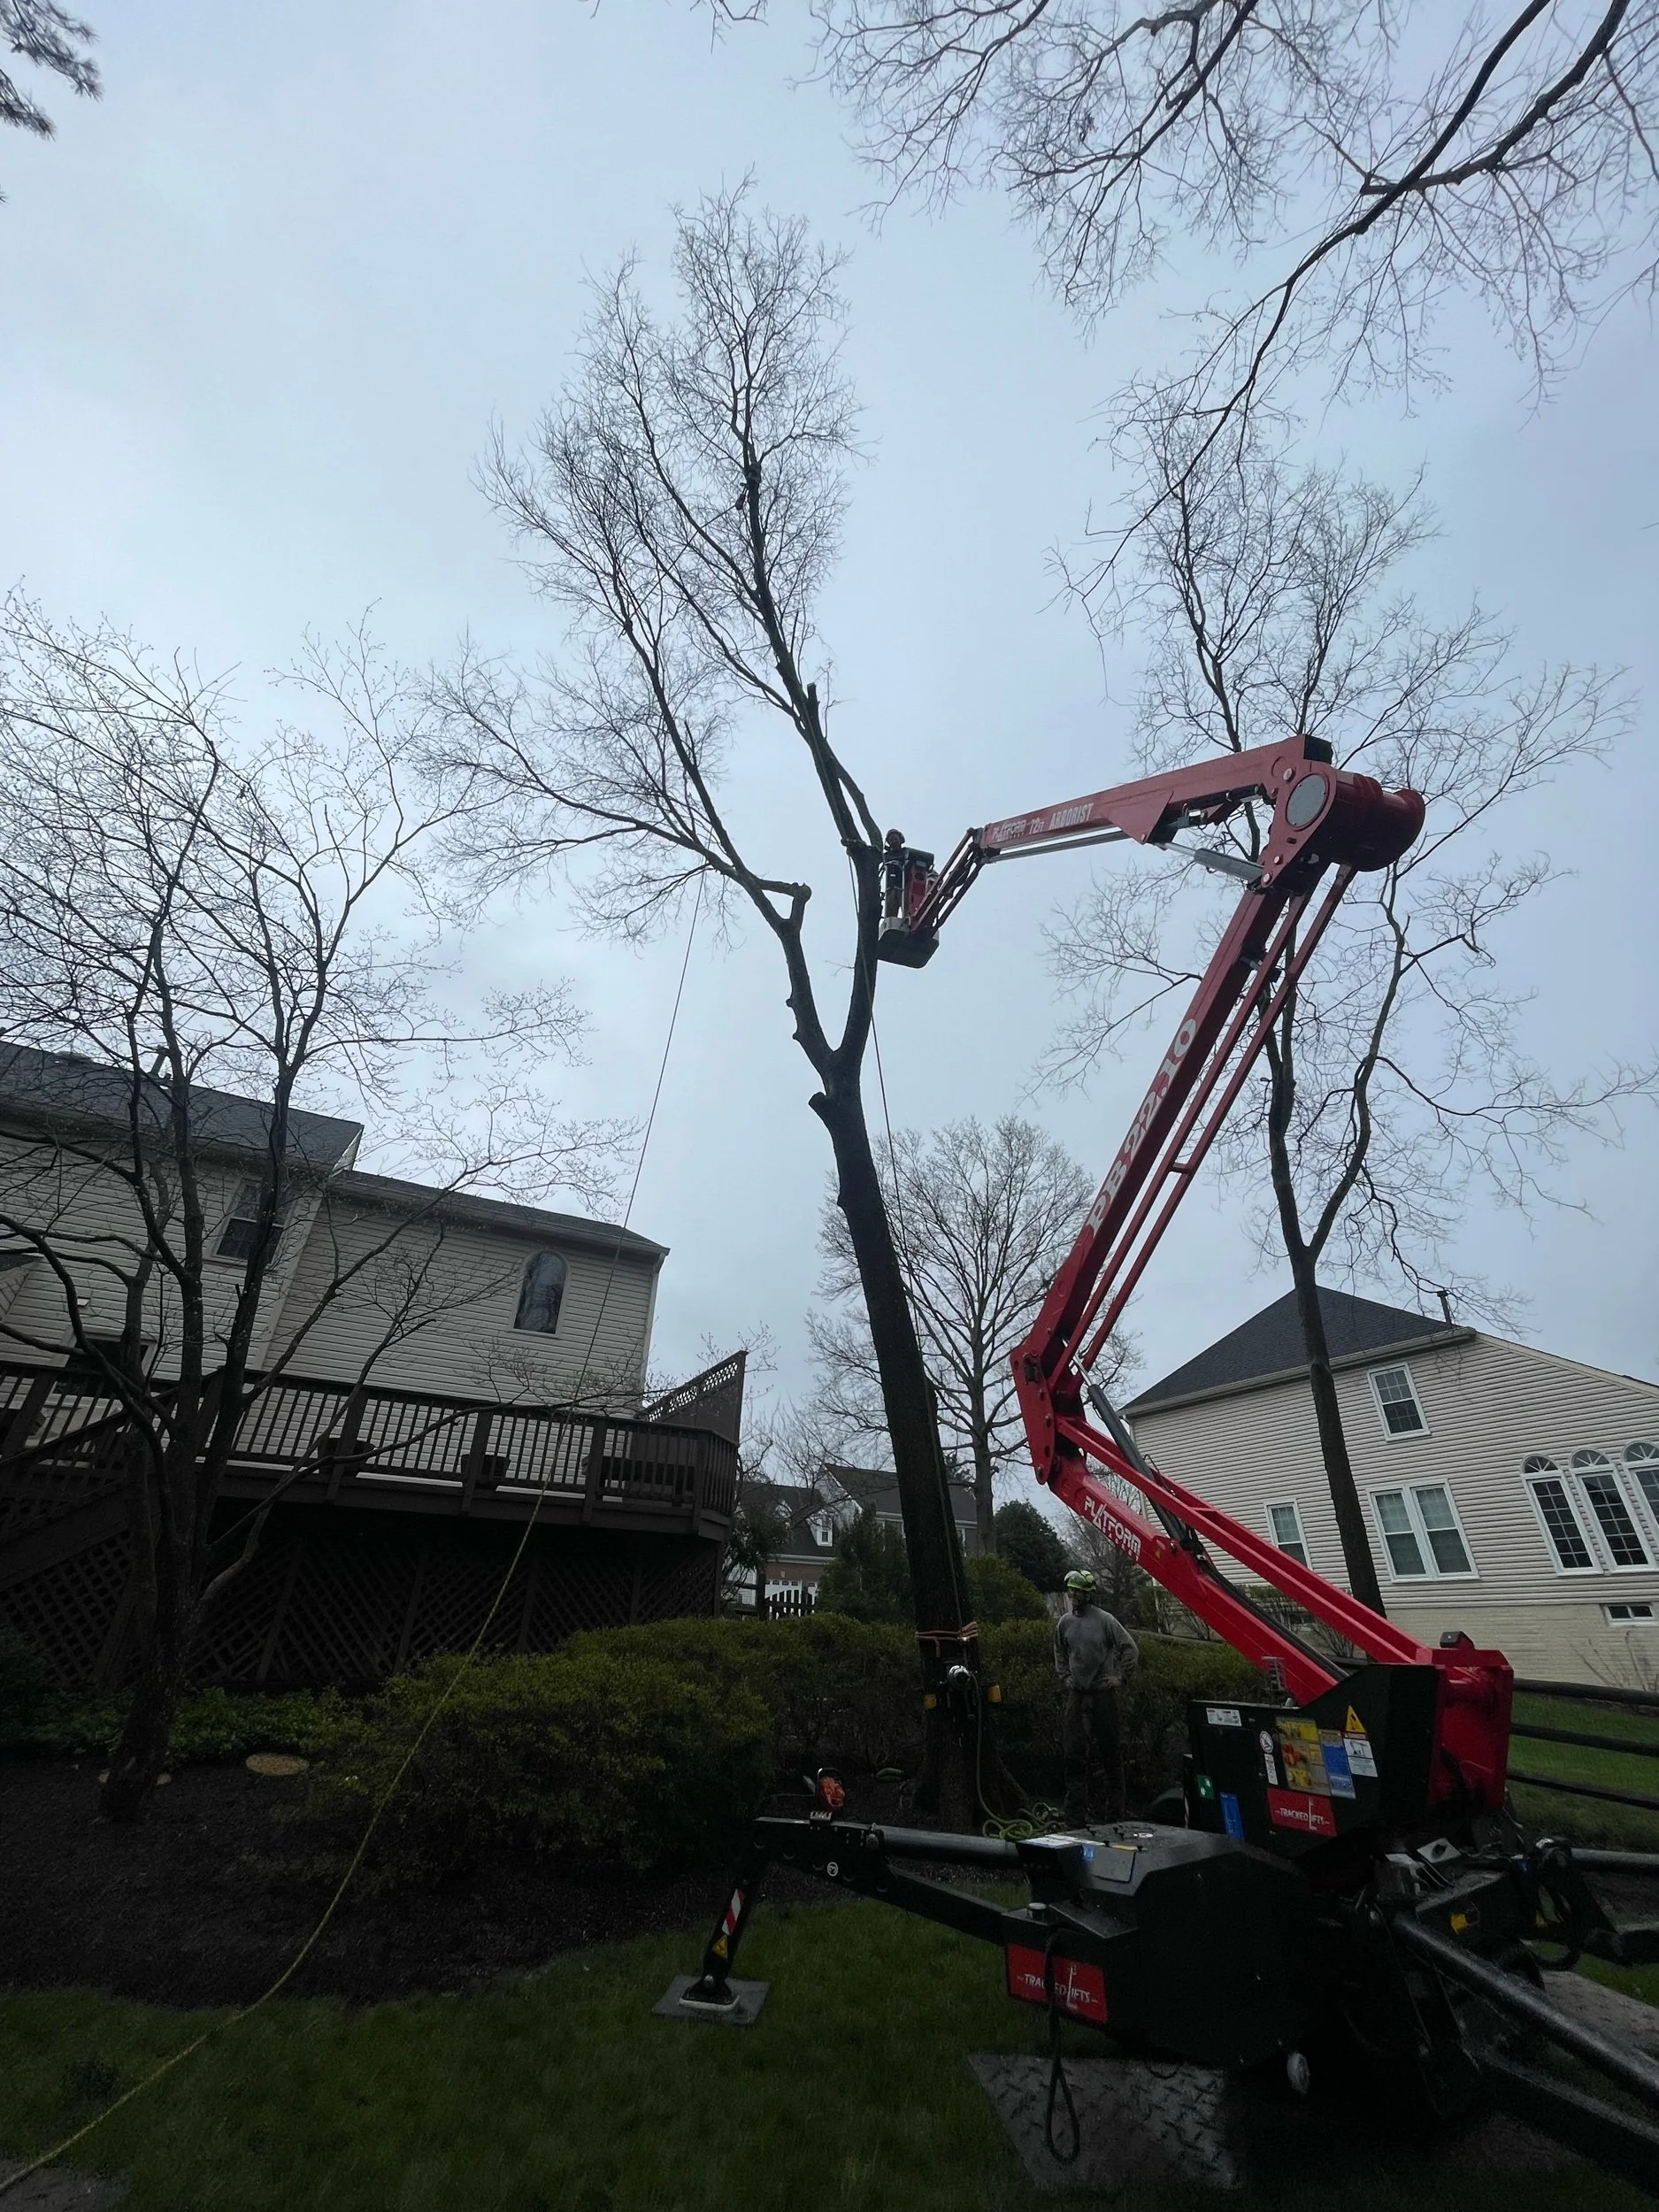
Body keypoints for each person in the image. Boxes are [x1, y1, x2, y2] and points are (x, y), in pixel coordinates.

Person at [1053, 1568, 1139, 1824]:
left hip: (1103, 1696)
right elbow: (1059, 1650)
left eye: (1077, 1591)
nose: (1072, 1595)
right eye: (1071, 1590)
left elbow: (1129, 1649)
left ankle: (1114, 1815)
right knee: (1074, 1754)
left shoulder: (1105, 1620)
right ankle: (1075, 1817)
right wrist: (1064, 1675)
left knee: (1110, 1753)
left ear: (1087, 1594)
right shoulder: (1065, 1622)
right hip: (1077, 1696)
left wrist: (1119, 1677)